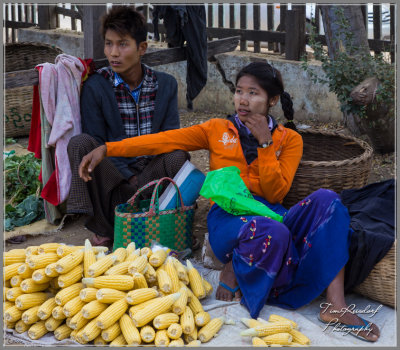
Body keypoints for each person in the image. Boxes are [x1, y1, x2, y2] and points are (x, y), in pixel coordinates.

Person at [78, 61, 380, 342]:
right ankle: (234, 265)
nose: (243, 100)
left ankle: (335, 306)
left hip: (271, 213)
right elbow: (164, 140)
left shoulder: (289, 140)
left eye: (253, 93)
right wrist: (108, 149)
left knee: (330, 201)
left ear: (272, 100)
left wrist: (265, 144)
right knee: (274, 233)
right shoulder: (216, 130)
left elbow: (275, 194)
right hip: (228, 220)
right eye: (239, 92)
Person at [66, 6, 189, 249]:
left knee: (179, 156)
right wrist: (129, 175)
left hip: (151, 173)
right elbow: (98, 140)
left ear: (141, 48)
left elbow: (171, 137)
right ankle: (102, 225)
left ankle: (169, 222)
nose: (113, 53)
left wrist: (142, 176)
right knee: (81, 143)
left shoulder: (165, 84)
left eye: (122, 44)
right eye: (109, 44)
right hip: (114, 174)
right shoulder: (96, 86)